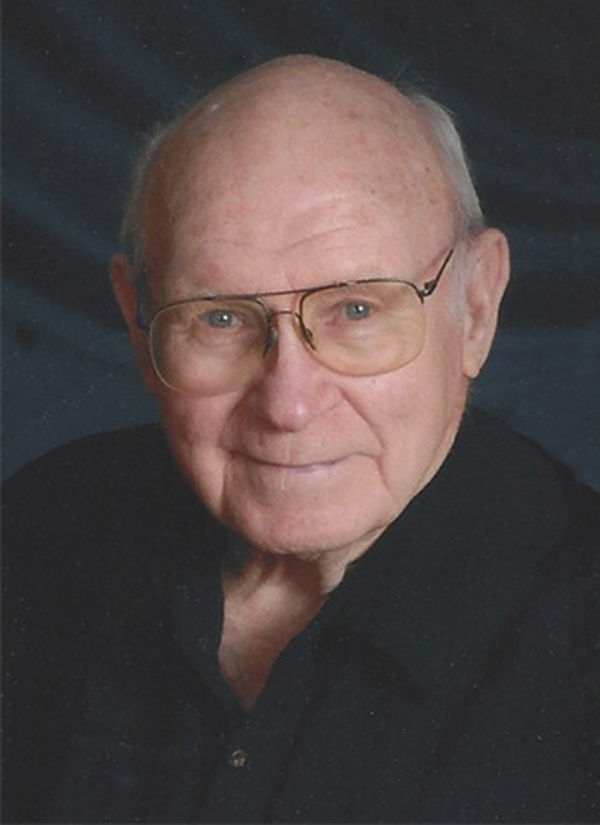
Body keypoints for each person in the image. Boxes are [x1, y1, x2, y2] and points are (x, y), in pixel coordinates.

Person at [3, 55, 598, 823]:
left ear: (476, 307)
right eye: (220, 317)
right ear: (136, 319)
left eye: (356, 310)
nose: (287, 405)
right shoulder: (36, 535)